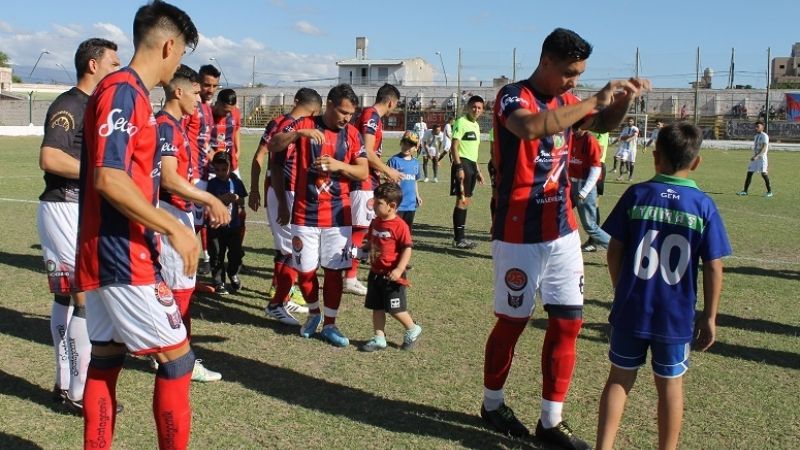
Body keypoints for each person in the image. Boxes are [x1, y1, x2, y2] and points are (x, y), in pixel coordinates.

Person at [481, 27, 649, 449]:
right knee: (513, 323)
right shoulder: (512, 96)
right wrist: (592, 98)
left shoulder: (569, 101)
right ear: (547, 62)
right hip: (517, 232)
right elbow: (531, 128)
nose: (574, 81)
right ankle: (492, 404)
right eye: (570, 72)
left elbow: (602, 123)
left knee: (569, 323)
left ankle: (550, 422)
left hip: (562, 229)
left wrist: (623, 101)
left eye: (580, 74)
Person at [76, 2, 199, 449]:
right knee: (178, 360)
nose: (180, 62)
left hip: (103, 253)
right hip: (121, 255)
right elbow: (108, 178)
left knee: (106, 360)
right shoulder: (124, 90)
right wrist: (172, 226)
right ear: (169, 45)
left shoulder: (130, 94)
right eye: (181, 52)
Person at [595, 123, 731, 450]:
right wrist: (709, 316)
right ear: (696, 162)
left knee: (619, 379)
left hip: (632, 306)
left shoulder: (637, 195)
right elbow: (714, 265)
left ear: (655, 157)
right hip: (675, 314)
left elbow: (614, 250)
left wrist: (621, 289)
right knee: (670, 386)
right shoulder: (702, 205)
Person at [37, 37, 120, 413]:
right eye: (113, 63)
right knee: (83, 296)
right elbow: (50, 156)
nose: (117, 69)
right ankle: (79, 391)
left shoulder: (94, 105)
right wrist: (96, 173)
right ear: (93, 65)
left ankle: (64, 382)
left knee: (67, 296)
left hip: (76, 210)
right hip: (64, 208)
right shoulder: (69, 104)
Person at [268, 83, 368, 347]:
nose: (347, 118)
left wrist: (338, 165)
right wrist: (299, 134)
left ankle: (331, 324)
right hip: (304, 214)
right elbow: (273, 146)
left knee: (334, 272)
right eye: (343, 112)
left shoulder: (353, 135)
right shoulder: (304, 126)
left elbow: (363, 172)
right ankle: (313, 314)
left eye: (351, 114)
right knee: (306, 270)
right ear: (330, 105)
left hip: (337, 217)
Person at [156, 64, 230, 382]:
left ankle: (167, 353)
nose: (200, 99)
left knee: (179, 289)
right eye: (197, 92)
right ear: (179, 91)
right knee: (179, 291)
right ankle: (181, 359)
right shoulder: (166, 126)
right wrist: (209, 199)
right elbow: (169, 179)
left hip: (179, 211)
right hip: (169, 213)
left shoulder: (176, 124)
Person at [250, 88, 321, 325]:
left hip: (284, 191)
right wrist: (280, 200)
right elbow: (275, 161)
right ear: (315, 110)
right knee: (292, 249)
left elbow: (262, 157)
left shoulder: (281, 123)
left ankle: (283, 297)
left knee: (287, 250)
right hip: (284, 192)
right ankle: (276, 304)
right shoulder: (292, 128)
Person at [344, 83, 403, 297]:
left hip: (369, 179)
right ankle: (349, 278)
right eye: (395, 106)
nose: (394, 110)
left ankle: (349, 273)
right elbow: (367, 152)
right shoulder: (371, 116)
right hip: (363, 180)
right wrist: (389, 170)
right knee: (359, 229)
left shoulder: (371, 116)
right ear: (391, 102)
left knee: (363, 228)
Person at [358, 182, 422, 352]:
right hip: (376, 273)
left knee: (395, 309)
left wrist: (399, 270)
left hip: (392, 277)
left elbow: (407, 248)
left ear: (392, 206)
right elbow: (371, 241)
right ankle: (379, 338)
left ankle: (412, 329)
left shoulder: (400, 226)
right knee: (376, 307)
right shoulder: (376, 222)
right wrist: (360, 249)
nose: (374, 206)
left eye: (378, 203)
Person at [183, 64, 220, 275]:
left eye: (214, 86)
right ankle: (181, 272)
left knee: (199, 223)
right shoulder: (191, 107)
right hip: (192, 174)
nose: (210, 90)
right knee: (190, 225)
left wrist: (214, 154)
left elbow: (203, 140)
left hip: (206, 172)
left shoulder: (207, 108)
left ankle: (192, 270)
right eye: (206, 85)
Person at [205, 152, 248, 295]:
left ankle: (233, 273)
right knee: (217, 255)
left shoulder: (236, 182)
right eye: (217, 170)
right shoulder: (211, 184)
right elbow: (208, 201)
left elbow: (242, 200)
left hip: (234, 226)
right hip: (216, 227)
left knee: (236, 253)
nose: (221, 173)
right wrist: (221, 198)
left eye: (224, 169)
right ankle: (219, 282)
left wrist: (236, 198)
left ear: (230, 167)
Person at [450, 95, 485, 249]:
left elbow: (474, 152)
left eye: (479, 108)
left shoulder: (476, 126)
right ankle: (459, 239)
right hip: (462, 163)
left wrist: (478, 171)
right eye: (473, 107)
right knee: (461, 200)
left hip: (471, 165)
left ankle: (460, 238)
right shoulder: (461, 122)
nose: (476, 110)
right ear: (468, 107)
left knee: (466, 200)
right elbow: (454, 147)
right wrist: (459, 167)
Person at [568, 127, 610, 252]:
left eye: (576, 126)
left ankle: (618, 249)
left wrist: (585, 191)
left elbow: (596, 168)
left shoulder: (590, 140)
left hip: (584, 185)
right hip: (571, 184)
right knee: (559, 214)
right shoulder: (571, 138)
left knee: (590, 226)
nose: (573, 129)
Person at [388, 131, 423, 229]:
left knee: (407, 230)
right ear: (401, 143)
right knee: (395, 230)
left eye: (411, 145)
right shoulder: (394, 160)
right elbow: (389, 183)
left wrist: (417, 196)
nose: (407, 147)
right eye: (405, 143)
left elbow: (414, 180)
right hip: (397, 204)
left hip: (411, 204)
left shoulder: (416, 163)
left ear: (416, 148)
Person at [210, 88, 242, 176]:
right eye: (225, 111)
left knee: (236, 189)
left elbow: (237, 129)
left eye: (231, 111)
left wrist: (238, 150)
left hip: (231, 164)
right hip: (211, 167)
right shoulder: (207, 115)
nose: (228, 114)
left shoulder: (235, 113)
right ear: (217, 104)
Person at [736, 120, 773, 197]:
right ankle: (745, 191)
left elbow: (764, 147)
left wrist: (757, 156)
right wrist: (754, 156)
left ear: (762, 127)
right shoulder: (756, 136)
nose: (756, 128)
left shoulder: (764, 136)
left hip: (761, 158)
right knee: (749, 173)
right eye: (755, 127)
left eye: (758, 127)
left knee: (764, 174)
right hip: (755, 157)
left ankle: (769, 192)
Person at [613, 117, 639, 181]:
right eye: (628, 121)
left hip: (632, 148)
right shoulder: (625, 129)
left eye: (631, 121)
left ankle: (630, 176)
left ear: (633, 122)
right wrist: (624, 138)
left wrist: (627, 139)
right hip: (625, 148)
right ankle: (621, 176)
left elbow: (634, 136)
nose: (629, 122)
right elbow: (621, 137)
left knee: (631, 163)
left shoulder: (635, 129)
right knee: (622, 160)